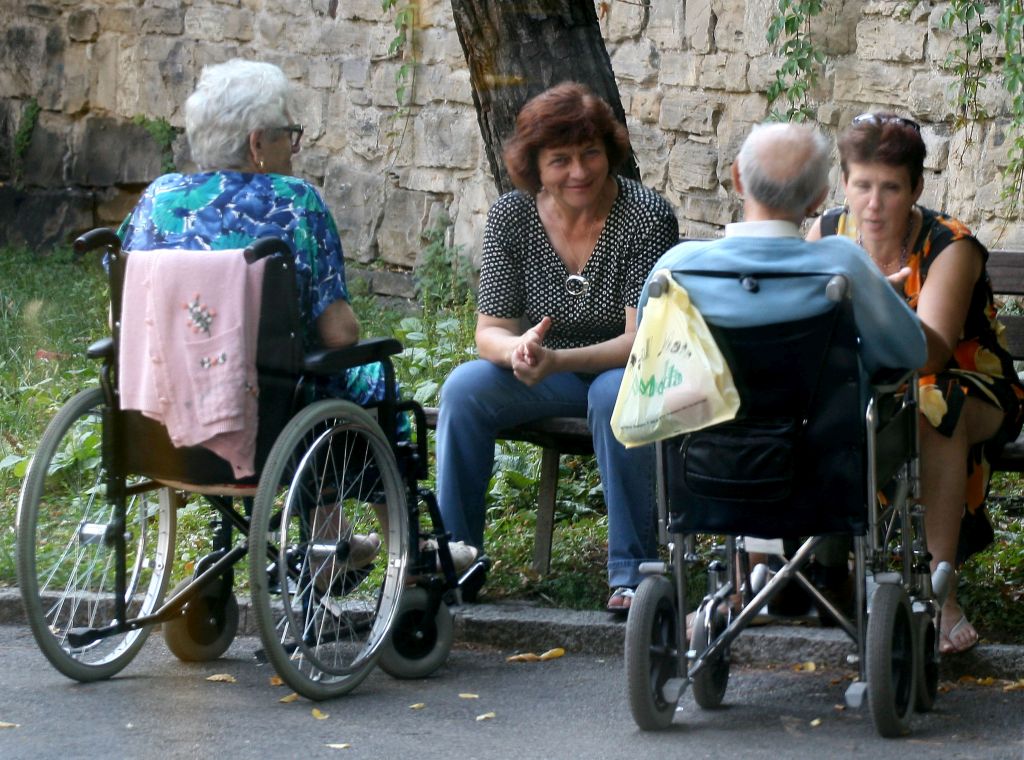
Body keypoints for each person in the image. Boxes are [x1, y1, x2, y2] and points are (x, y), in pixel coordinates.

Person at [115, 59, 421, 573]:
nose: (293, 149)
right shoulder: (294, 203)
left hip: (162, 412)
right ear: (258, 144)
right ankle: (407, 554)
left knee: (305, 380)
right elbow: (339, 332)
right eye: (289, 136)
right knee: (364, 380)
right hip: (264, 415)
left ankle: (331, 537)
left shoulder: (157, 200)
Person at [641, 122, 928, 626]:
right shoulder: (839, 267)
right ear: (820, 197)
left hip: (708, 465)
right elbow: (907, 353)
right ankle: (827, 574)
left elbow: (655, 364)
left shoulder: (676, 271)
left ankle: (744, 585)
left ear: (736, 179)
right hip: (821, 467)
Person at [434, 82, 679, 614]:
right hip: (550, 370)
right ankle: (456, 561)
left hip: (629, 369)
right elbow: (489, 330)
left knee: (613, 397)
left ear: (609, 152)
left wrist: (557, 361)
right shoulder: (511, 217)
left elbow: (642, 341)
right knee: (463, 389)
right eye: (560, 159)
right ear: (534, 165)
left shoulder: (645, 216)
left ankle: (632, 576)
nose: (579, 171)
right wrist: (517, 349)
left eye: (591, 153)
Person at [807, 113, 1024, 654]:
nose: (874, 203)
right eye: (862, 185)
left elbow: (932, 352)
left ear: (916, 189)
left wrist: (873, 300)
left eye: (890, 188)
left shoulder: (950, 245)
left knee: (934, 402)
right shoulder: (829, 233)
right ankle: (773, 580)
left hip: (971, 382)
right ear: (845, 183)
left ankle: (940, 590)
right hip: (873, 388)